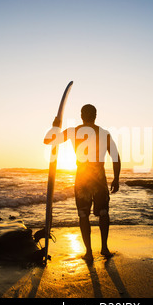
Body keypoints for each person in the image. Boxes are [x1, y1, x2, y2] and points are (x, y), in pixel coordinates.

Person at [44, 104, 121, 261]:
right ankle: (104, 248)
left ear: (81, 115)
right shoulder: (104, 133)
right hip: (99, 177)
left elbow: (48, 141)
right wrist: (116, 178)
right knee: (104, 213)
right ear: (95, 115)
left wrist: (54, 127)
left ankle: (88, 252)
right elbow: (115, 157)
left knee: (83, 214)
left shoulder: (74, 131)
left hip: (82, 177)